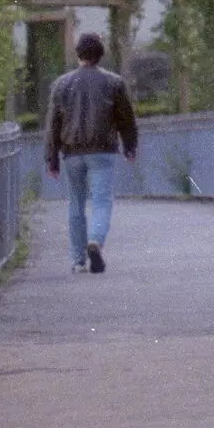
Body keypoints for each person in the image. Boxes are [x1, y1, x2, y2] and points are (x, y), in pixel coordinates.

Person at [44, 32, 138, 274]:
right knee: (101, 200)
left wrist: (51, 157)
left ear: (78, 54)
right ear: (100, 54)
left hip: (72, 152)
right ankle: (95, 240)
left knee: (75, 203)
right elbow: (125, 119)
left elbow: (53, 123)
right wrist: (130, 145)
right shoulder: (114, 83)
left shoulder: (62, 84)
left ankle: (78, 260)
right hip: (102, 151)